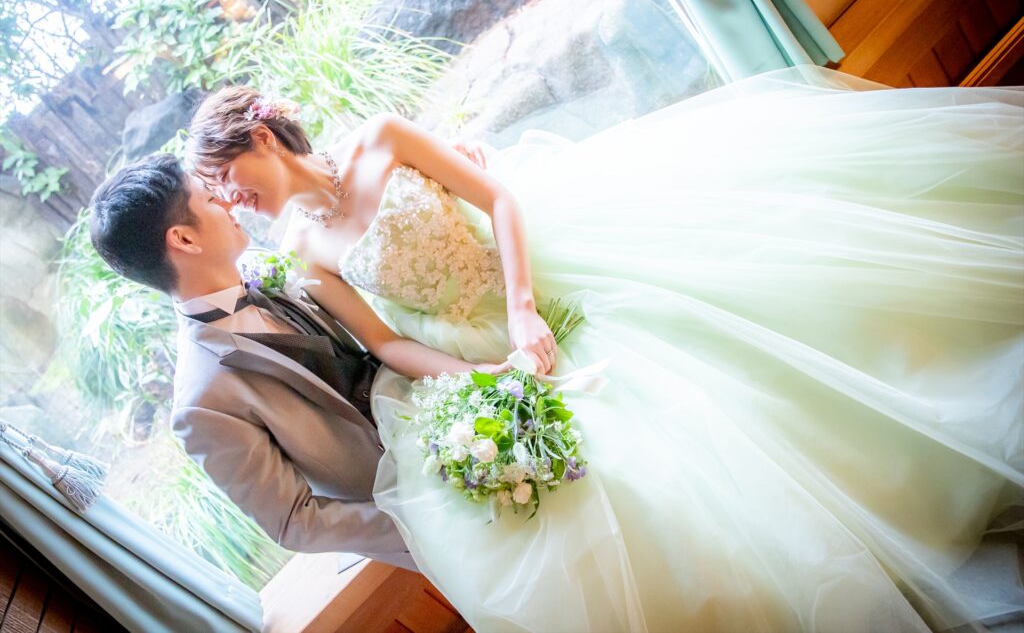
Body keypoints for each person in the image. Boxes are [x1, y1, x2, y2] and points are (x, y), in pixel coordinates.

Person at [185, 66, 1024, 632]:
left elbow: (498, 196)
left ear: (261, 138)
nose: (230, 200)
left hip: (538, 274)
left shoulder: (382, 137)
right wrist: (484, 378)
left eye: (225, 178)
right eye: (216, 195)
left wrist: (523, 311)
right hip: (467, 350)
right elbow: (385, 341)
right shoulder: (303, 250)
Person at [88, 153, 507, 572]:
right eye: (211, 199)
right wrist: (427, 520)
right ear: (184, 239)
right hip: (424, 510)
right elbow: (295, 521)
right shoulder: (202, 402)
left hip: (456, 420)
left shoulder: (263, 265)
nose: (229, 201)